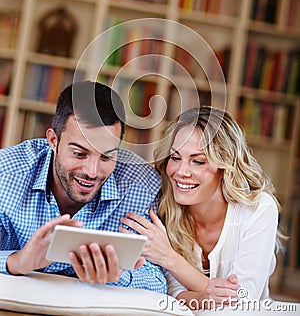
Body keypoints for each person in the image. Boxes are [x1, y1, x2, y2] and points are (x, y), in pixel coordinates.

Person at [0, 80, 167, 293]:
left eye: (107, 156)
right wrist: (15, 262)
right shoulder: (6, 173)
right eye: (79, 153)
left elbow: (158, 281)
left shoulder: (141, 185)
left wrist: (119, 277)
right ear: (53, 140)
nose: (92, 171)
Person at [120, 106, 284, 309]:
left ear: (225, 167)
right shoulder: (164, 206)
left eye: (198, 161)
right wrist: (201, 298)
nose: (181, 172)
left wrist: (169, 258)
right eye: (175, 157)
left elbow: (243, 300)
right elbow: (172, 292)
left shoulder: (258, 209)